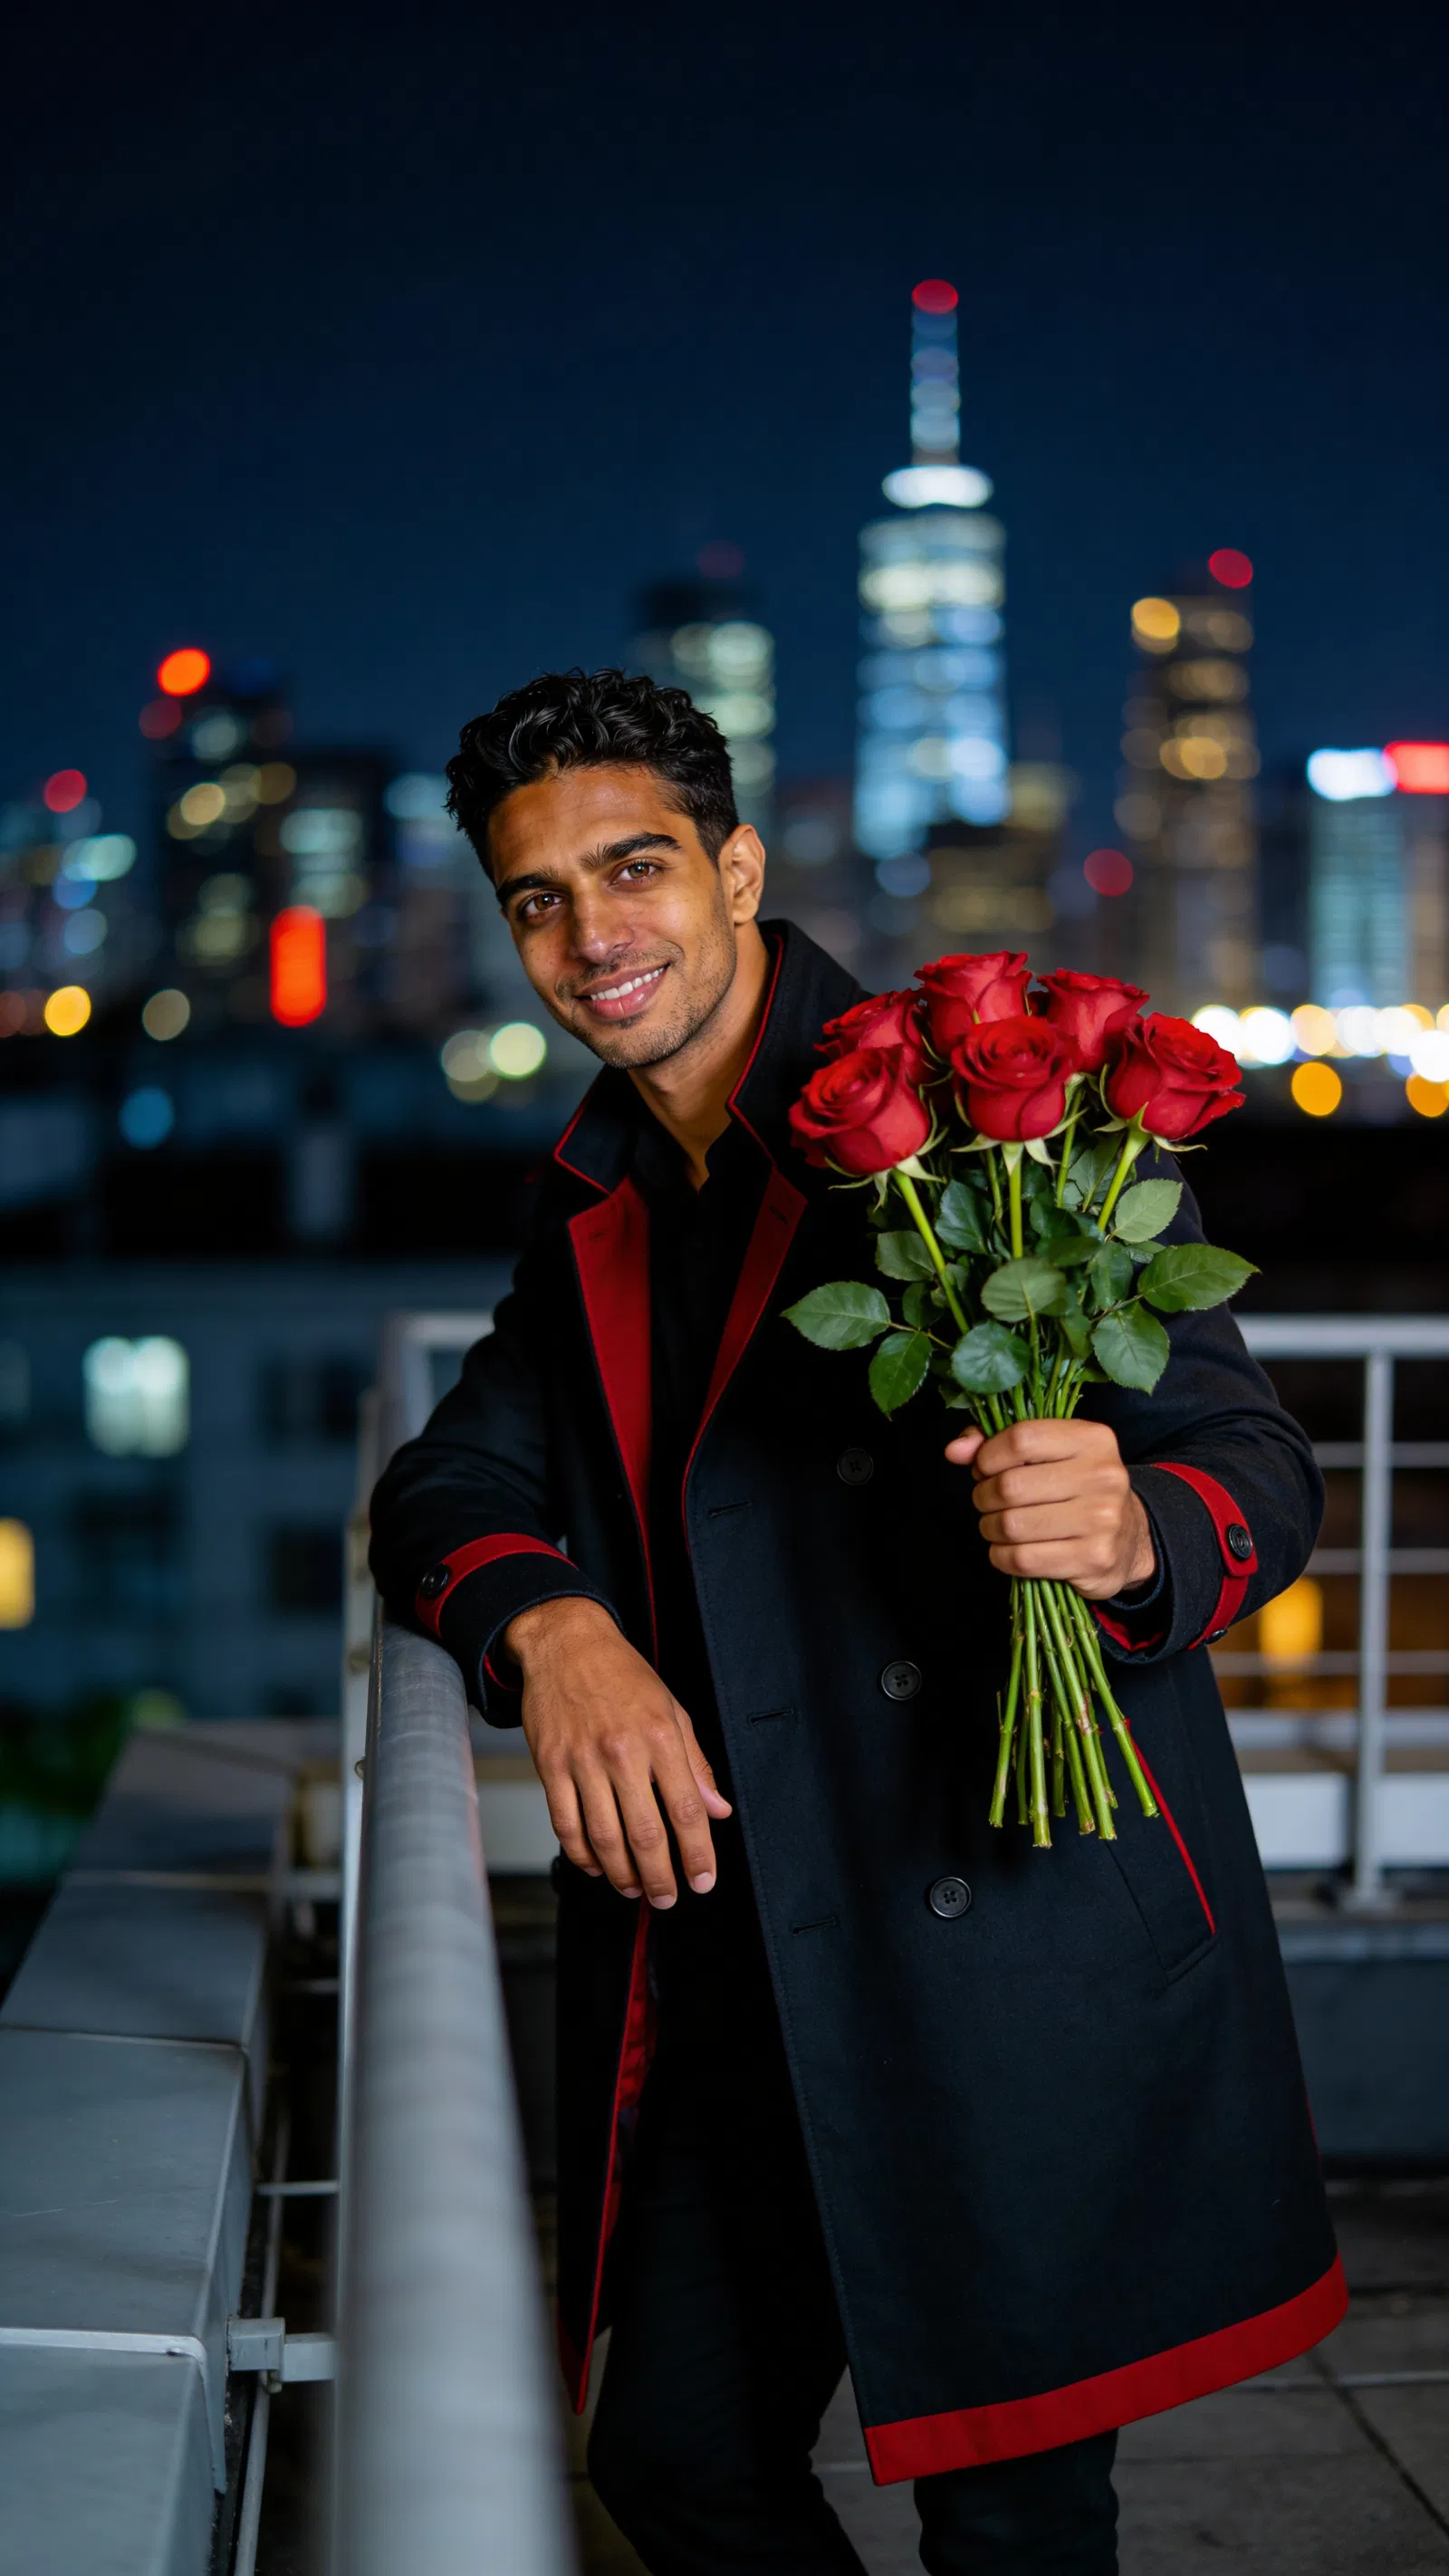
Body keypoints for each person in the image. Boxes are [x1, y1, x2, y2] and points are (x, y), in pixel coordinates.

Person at [369, 668, 1343, 2575]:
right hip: (745, 1954)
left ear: (736, 869)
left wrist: (1131, 1530)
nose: (589, 936)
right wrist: (552, 1633)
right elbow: (449, 1483)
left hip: (992, 1937)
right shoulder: (601, 1187)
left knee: (1014, 2529)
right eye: (536, 899)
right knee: (671, 2459)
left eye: (631, 867)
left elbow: (1252, 1463)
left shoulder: (992, 1113)